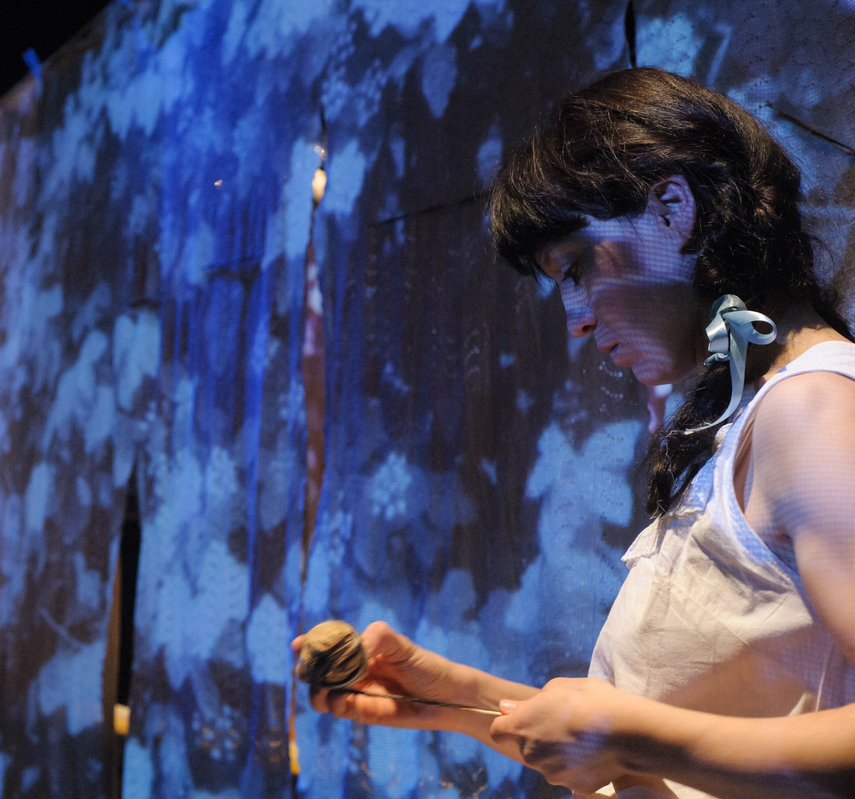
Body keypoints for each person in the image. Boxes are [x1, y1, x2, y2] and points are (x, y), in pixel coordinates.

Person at [298, 68, 855, 798]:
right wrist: (452, 696)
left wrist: (631, 735)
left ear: (673, 210)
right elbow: (657, 744)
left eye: (576, 268)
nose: (577, 320)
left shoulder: (811, 411)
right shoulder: (754, 413)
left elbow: (639, 738)